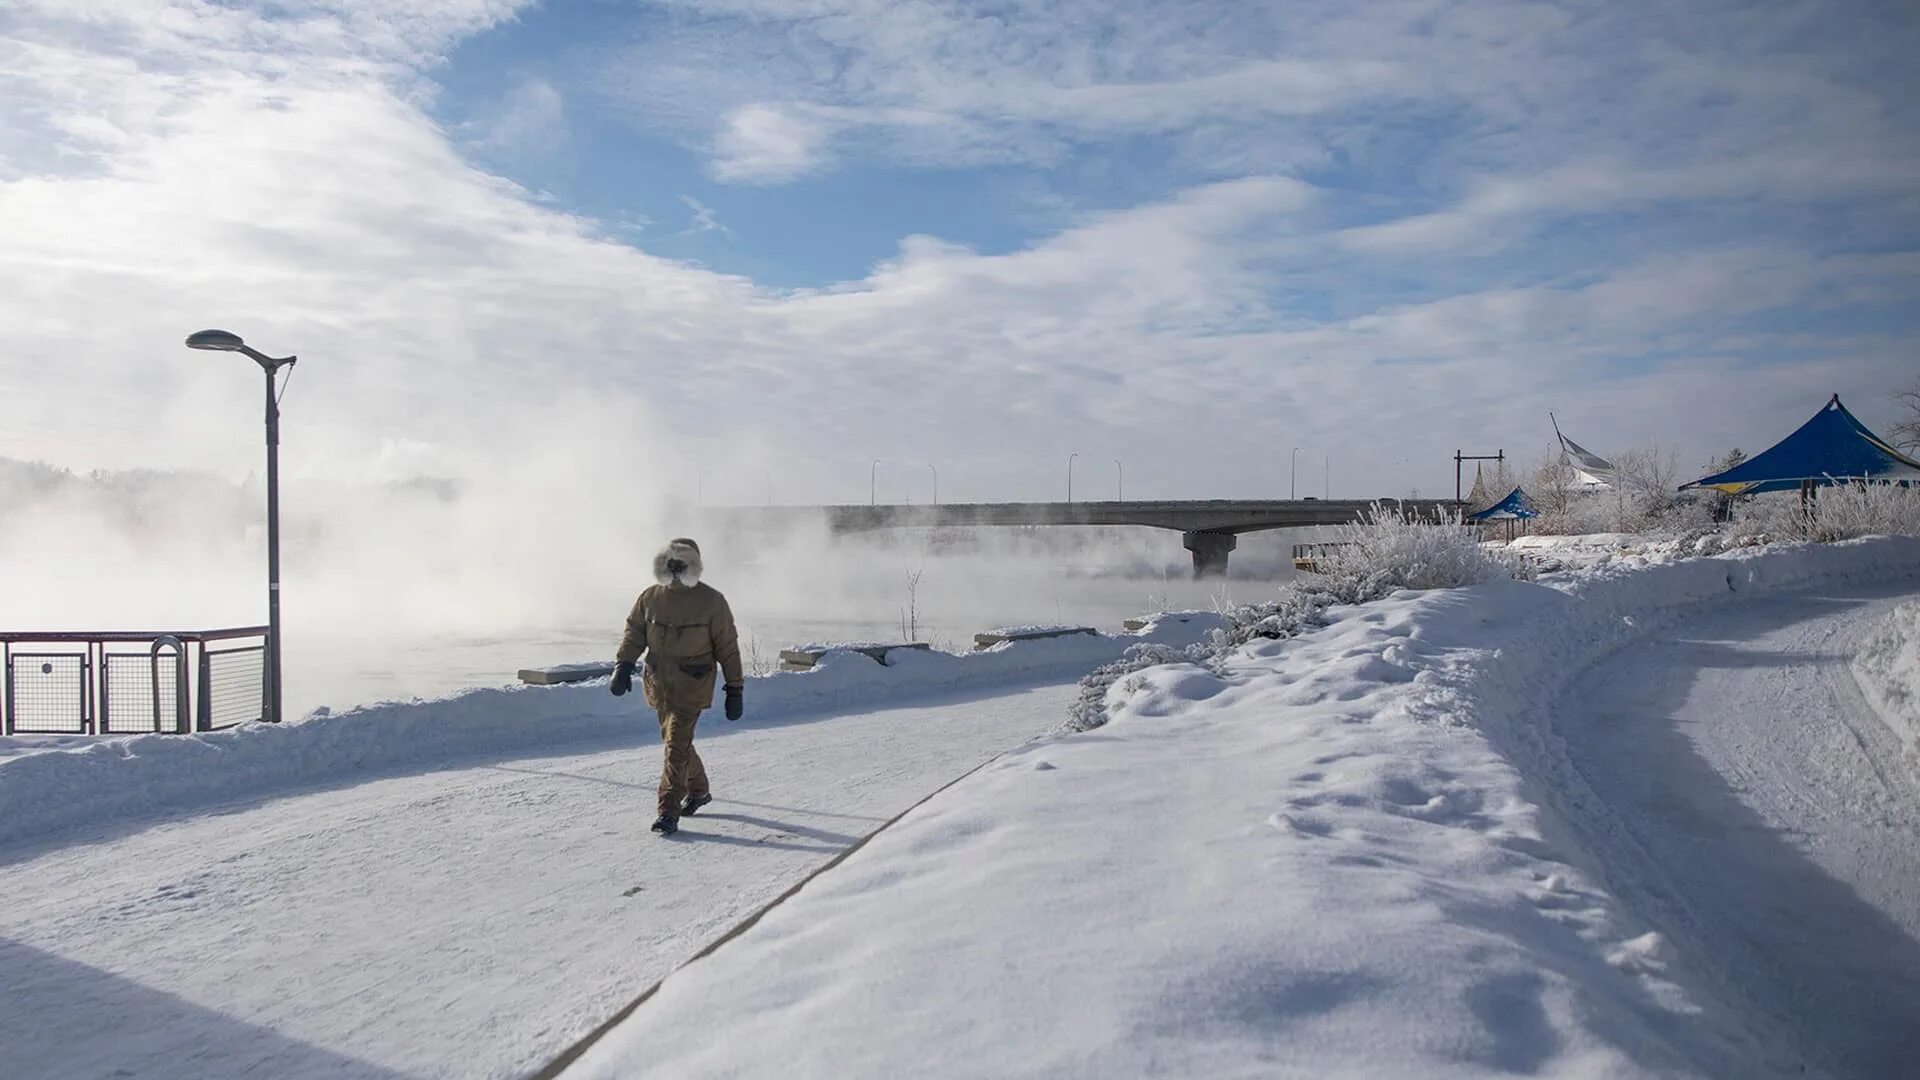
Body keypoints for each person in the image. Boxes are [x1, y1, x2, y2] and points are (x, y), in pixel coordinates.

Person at [611, 537, 745, 836]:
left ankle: (668, 811)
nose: (675, 570)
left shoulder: (712, 601)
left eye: (681, 564)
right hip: (659, 683)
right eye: (670, 564)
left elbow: (727, 647)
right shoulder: (650, 598)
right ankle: (698, 790)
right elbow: (635, 632)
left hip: (692, 685)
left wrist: (734, 688)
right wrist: (623, 665)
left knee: (675, 747)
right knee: (677, 744)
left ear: (693, 565)